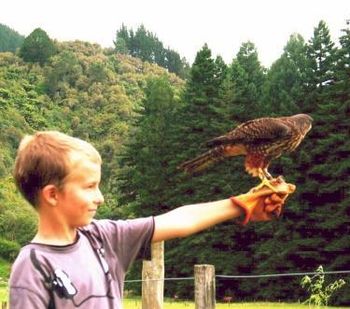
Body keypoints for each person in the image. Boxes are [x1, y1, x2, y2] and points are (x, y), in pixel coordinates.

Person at [9, 131, 295, 308]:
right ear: (52, 195)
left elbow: (179, 220)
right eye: (89, 187)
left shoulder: (102, 238)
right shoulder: (33, 265)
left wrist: (241, 205)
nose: (100, 197)